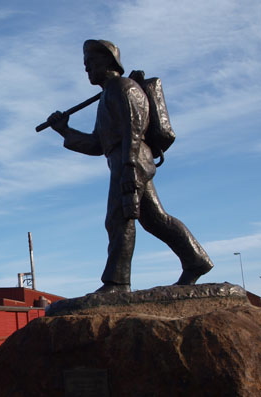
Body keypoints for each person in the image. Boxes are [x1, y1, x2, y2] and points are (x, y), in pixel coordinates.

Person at [47, 39, 213, 293]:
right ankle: (196, 261)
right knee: (156, 220)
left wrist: (128, 168)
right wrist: (64, 130)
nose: (86, 69)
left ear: (109, 62)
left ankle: (117, 282)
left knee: (119, 219)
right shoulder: (107, 97)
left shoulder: (124, 88)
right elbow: (97, 144)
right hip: (123, 161)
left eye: (90, 62)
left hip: (132, 160)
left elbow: (133, 130)